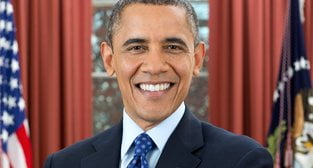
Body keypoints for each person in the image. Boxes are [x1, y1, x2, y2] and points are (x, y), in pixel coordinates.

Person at [44, 0, 273, 167]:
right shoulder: (64, 163)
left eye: (173, 47)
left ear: (197, 59)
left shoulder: (243, 161)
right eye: (136, 48)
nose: (154, 66)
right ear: (109, 59)